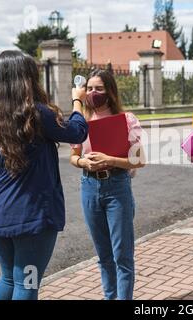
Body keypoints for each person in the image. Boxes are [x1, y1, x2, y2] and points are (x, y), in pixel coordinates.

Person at [0, 50, 88, 300]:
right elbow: (77, 132)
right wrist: (77, 101)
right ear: (27, 78)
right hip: (32, 218)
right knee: (27, 283)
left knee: (9, 278)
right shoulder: (37, 113)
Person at [69, 69, 146, 300]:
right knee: (103, 255)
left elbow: (140, 160)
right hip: (89, 188)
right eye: (90, 88)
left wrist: (110, 160)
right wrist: (83, 161)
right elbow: (73, 156)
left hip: (117, 186)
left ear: (110, 91)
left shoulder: (127, 120)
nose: (93, 93)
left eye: (99, 88)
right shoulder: (81, 122)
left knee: (122, 255)